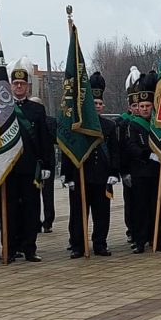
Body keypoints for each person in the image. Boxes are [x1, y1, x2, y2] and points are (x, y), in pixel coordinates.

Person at [62, 72, 120, 257]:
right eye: (93, 104)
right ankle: (78, 245)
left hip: (102, 176)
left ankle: (100, 244)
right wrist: (68, 175)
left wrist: (114, 173)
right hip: (81, 175)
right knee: (78, 213)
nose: (97, 106)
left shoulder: (110, 126)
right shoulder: (78, 126)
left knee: (102, 213)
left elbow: (115, 151)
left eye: (99, 104)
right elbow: (68, 148)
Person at [4, 57, 53, 262]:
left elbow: (44, 139)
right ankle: (11, 247)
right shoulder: (3, 109)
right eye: (15, 84)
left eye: (22, 84)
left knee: (32, 209)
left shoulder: (36, 110)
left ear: (27, 86)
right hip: (9, 167)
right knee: (11, 209)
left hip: (31, 167)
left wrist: (47, 165)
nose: (18, 87)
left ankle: (30, 248)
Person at [125, 71, 161, 254]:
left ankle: (158, 240)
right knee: (140, 209)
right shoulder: (133, 125)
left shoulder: (159, 124)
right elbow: (131, 146)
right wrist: (147, 155)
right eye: (142, 106)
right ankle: (140, 241)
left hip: (158, 172)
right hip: (141, 173)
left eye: (148, 105)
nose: (145, 109)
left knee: (158, 208)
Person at [117, 66, 141, 245]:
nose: (137, 109)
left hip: (144, 169)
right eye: (133, 105)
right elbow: (120, 148)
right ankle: (132, 230)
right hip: (129, 169)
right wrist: (123, 171)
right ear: (129, 106)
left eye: (139, 105)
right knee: (131, 203)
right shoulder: (122, 122)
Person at [30, 95, 57, 234]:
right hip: (32, 161)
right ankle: (34, 221)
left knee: (47, 194)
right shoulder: (27, 120)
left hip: (47, 161)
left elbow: (54, 139)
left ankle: (48, 221)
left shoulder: (51, 121)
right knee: (32, 194)